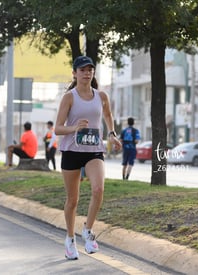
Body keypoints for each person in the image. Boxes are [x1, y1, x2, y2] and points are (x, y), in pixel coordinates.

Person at [55, 55, 121, 260]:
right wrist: (75, 127)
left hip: (93, 150)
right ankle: (70, 239)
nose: (87, 72)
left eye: (90, 69)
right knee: (72, 200)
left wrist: (111, 133)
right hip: (71, 151)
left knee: (98, 189)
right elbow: (57, 128)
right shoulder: (69, 97)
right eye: (82, 69)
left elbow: (108, 115)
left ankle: (87, 230)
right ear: (75, 73)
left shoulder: (101, 96)